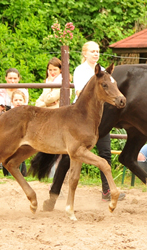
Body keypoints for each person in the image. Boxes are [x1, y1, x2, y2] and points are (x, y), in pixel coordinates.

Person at [48, 41, 125, 201]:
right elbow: (78, 91)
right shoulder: (80, 70)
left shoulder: (103, 71)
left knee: (105, 151)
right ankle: (54, 191)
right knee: (69, 156)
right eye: (92, 51)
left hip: (97, 117)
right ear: (85, 53)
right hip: (80, 118)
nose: (96, 54)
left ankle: (106, 191)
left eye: (97, 51)